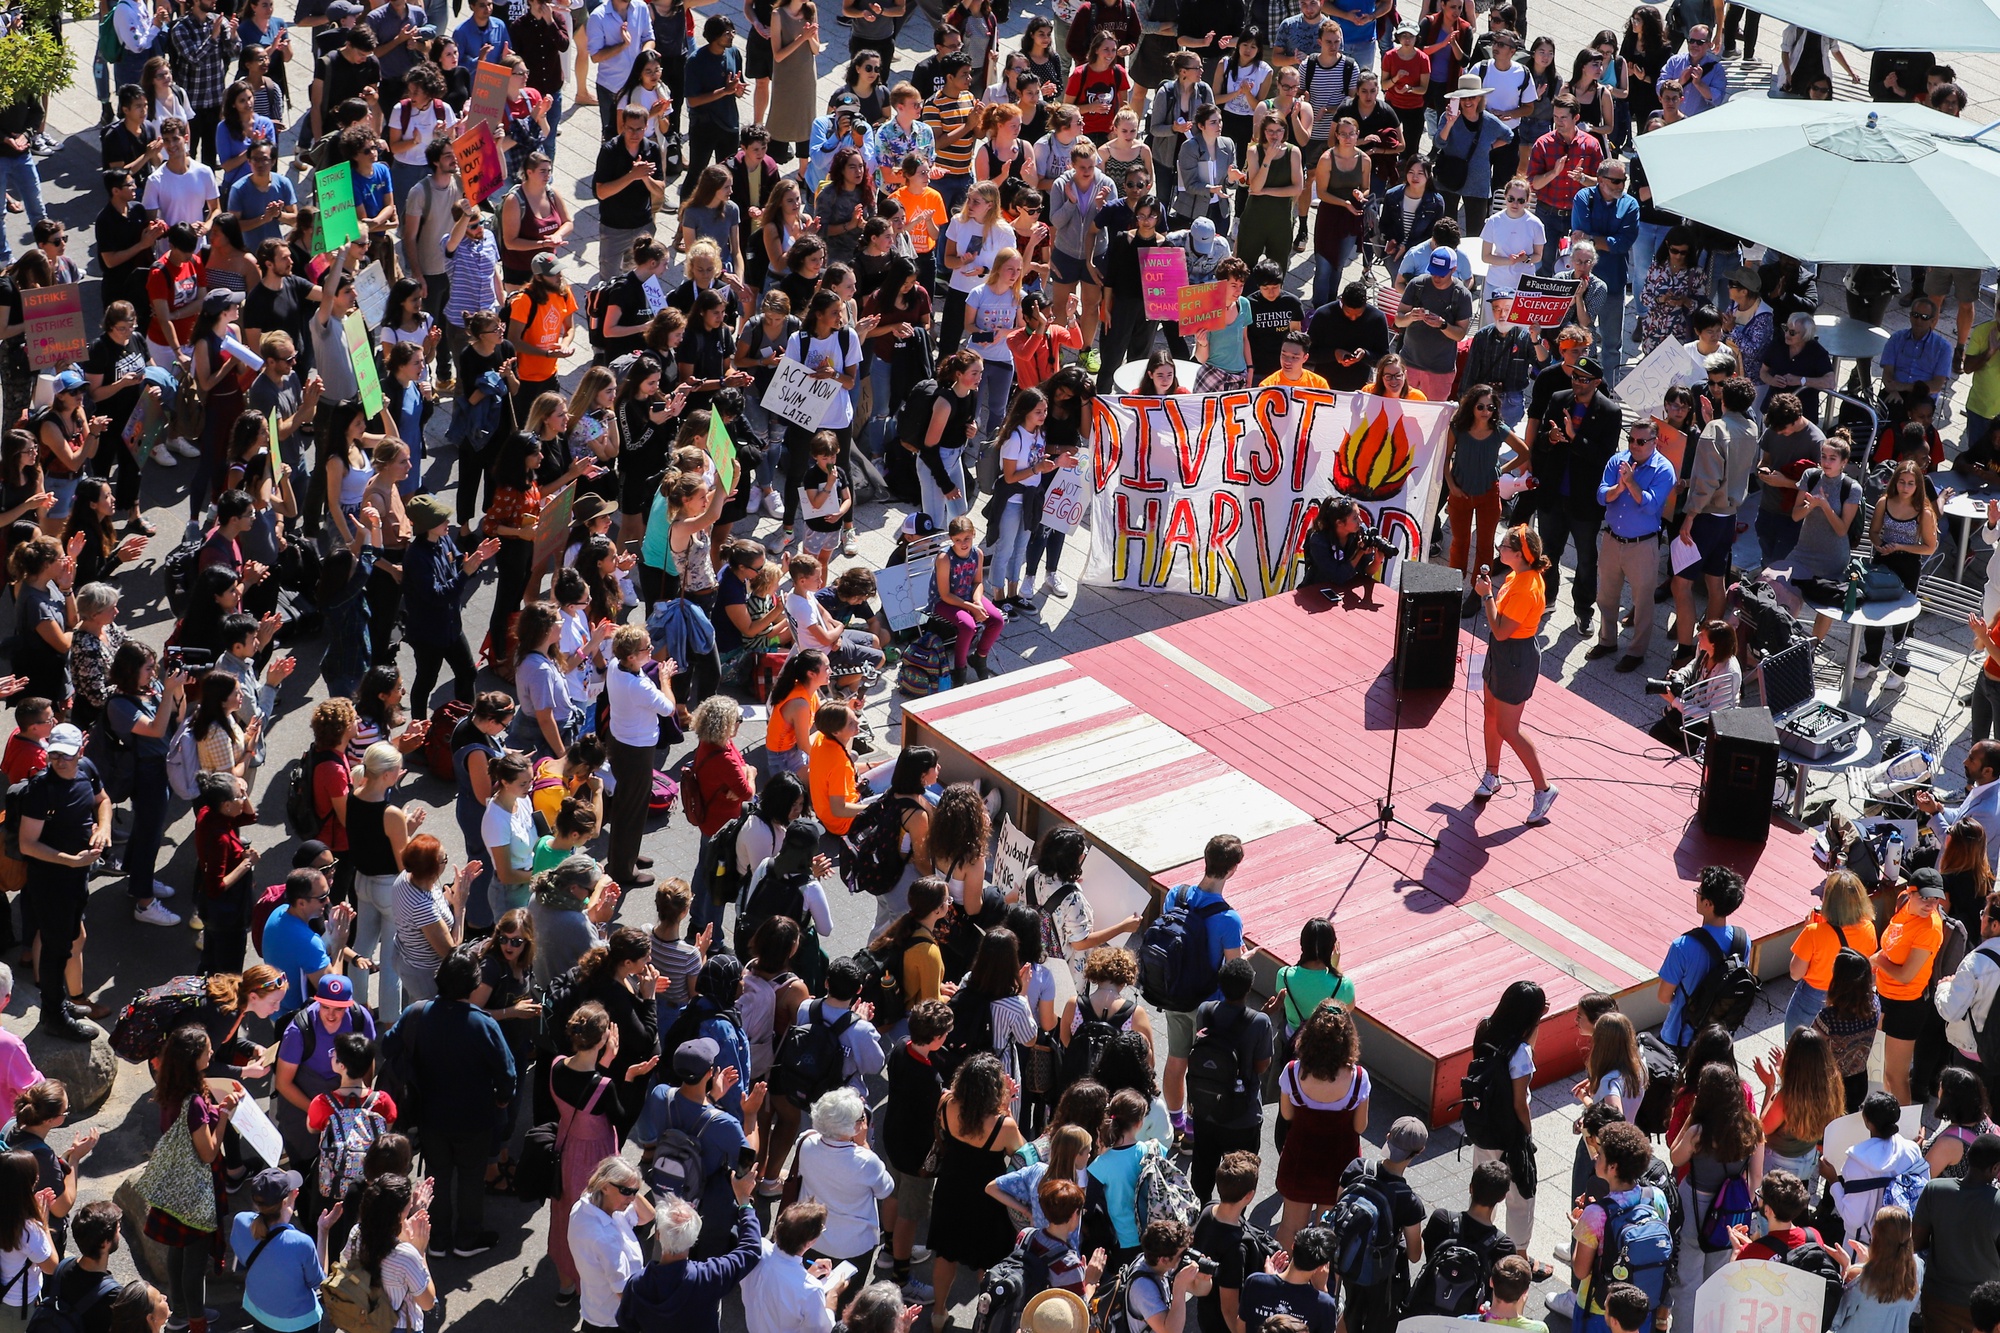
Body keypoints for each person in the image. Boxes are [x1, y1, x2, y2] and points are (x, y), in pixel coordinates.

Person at [378, 953, 515, 1260]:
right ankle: (467, 1238)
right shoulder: (484, 1024)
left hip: (429, 1115)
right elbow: (507, 1074)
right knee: (470, 1177)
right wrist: (502, 1099)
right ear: (473, 985)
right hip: (474, 1117)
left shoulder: (417, 1013)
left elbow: (388, 1046)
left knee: (436, 1176)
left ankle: (436, 1239)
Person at [1471, 525, 1557, 823]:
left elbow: (1501, 630)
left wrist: (1486, 597)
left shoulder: (1527, 586)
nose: (1499, 550)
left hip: (1515, 659)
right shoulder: (1516, 576)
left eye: (1504, 546)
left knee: (1509, 728)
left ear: (1519, 554)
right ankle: (1492, 774)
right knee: (1491, 715)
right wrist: (1491, 595)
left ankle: (1544, 789)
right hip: (1501, 655)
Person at [1585, 419, 1675, 672]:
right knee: (1606, 596)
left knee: (1643, 601)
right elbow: (1602, 495)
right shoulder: (1618, 461)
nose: (1634, 445)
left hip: (1642, 546)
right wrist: (1619, 486)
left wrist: (1632, 483)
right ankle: (1607, 641)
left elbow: (1650, 505)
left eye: (1641, 441)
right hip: (1612, 540)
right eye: (1631, 440)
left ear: (1654, 442)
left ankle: (1636, 652)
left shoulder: (1664, 470)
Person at [1186, 959, 1272, 1204]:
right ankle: (1231, 1223)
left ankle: (1197, 1219)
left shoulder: (1206, 1010)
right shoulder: (1260, 1022)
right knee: (1240, 1178)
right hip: (1242, 1115)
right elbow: (1261, 1066)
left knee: (1201, 1174)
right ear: (1249, 988)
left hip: (1207, 1108)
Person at [1914, 1135, 2000, 1333]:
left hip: (1938, 1297)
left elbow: (1916, 1243)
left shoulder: (1934, 1190)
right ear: (1995, 1168)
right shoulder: (1997, 1204)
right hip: (1984, 1307)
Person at [228, 1167, 330, 1333]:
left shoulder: (240, 1221)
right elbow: (319, 1283)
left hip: (257, 1310)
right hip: (296, 1324)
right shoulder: (301, 1243)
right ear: (286, 1201)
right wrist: (323, 1231)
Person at [1876, 872, 1948, 1104]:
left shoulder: (1929, 928)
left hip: (1906, 1007)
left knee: (1896, 1077)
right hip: (1884, 997)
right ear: (1910, 892)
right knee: (1880, 1069)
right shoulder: (1903, 904)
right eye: (1925, 898)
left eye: (1935, 899)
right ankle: (1887, 1121)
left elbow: (1906, 976)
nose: (1930, 905)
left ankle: (1905, 1133)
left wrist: (1876, 961)